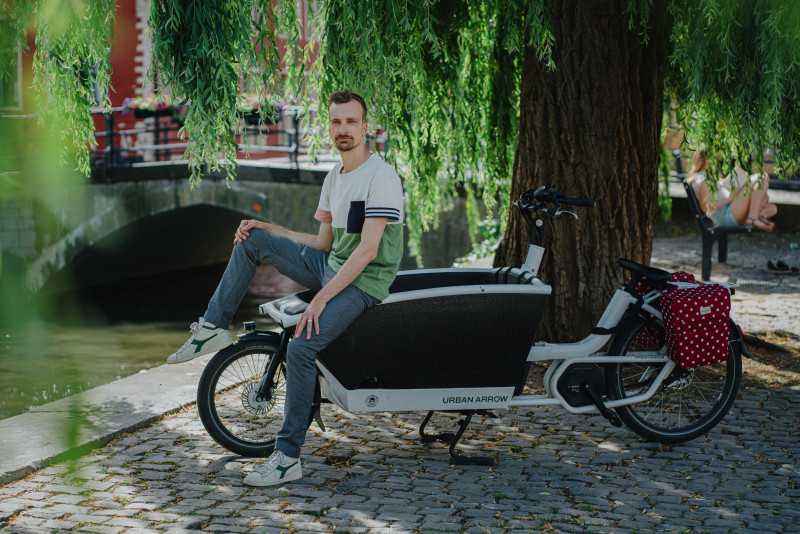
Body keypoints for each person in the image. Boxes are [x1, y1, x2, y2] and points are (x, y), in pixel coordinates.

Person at [166, 90, 405, 486]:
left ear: (365, 128)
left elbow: (366, 253)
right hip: (332, 266)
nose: (342, 129)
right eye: (335, 121)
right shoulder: (334, 176)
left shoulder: (381, 177)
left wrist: (321, 300)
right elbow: (324, 244)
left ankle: (288, 457)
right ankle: (212, 327)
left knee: (301, 346)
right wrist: (271, 230)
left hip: (363, 282)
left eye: (350, 121)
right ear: (328, 127)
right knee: (252, 239)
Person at [686, 144, 777, 231]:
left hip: (730, 210)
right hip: (725, 217)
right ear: (707, 160)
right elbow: (705, 207)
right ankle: (753, 218)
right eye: (714, 158)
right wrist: (729, 198)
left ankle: (756, 216)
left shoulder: (710, 176)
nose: (717, 161)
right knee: (761, 178)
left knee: (772, 207)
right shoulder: (704, 179)